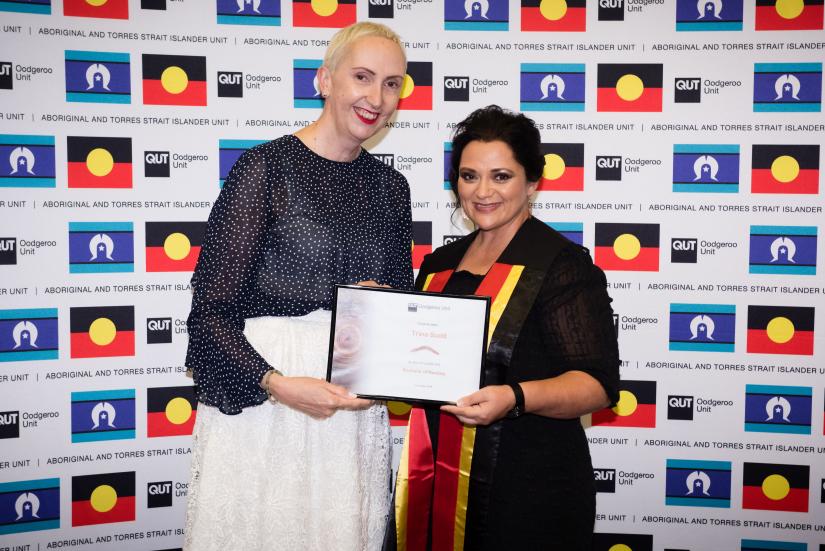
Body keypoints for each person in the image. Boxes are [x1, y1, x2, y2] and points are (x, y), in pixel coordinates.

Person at [183, 22, 412, 551]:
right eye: (362, 76)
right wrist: (277, 384)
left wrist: (383, 309)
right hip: (269, 408)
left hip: (352, 414)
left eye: (392, 83)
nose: (377, 97)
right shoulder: (263, 169)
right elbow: (209, 314)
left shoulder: (391, 189)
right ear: (324, 80)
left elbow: (400, 310)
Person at [384, 105, 621, 551]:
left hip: (530, 487)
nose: (483, 191)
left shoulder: (562, 265)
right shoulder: (438, 266)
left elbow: (597, 386)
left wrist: (514, 397)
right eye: (470, 176)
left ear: (533, 182)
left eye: (501, 176)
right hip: (434, 479)